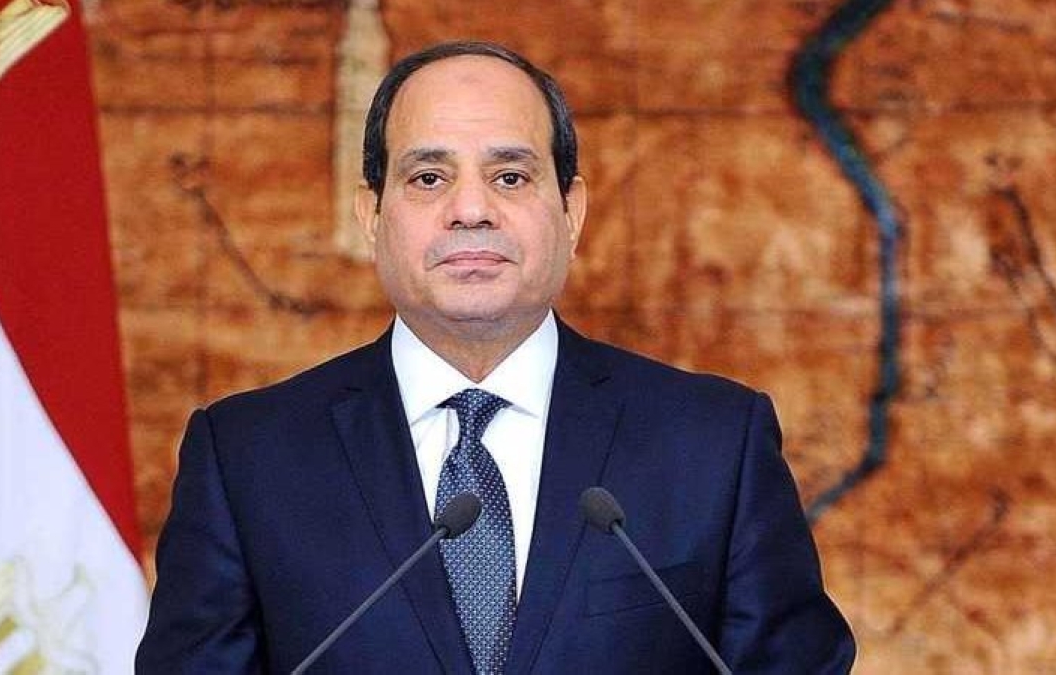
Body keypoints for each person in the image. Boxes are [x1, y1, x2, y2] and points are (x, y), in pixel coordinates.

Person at [136, 41, 855, 674]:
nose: (471, 209)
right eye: (428, 177)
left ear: (571, 211)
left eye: (510, 176)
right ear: (370, 214)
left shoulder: (713, 444)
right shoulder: (248, 457)